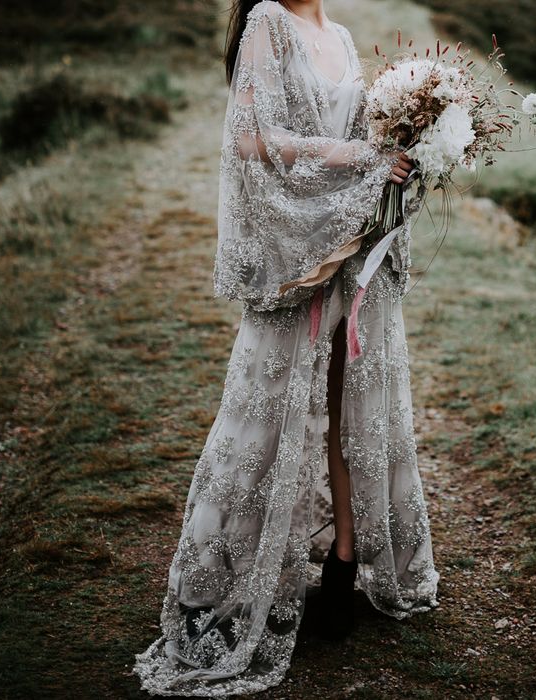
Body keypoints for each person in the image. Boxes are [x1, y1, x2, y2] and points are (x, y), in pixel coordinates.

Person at [133, 1, 439, 695]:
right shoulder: (268, 20)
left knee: (348, 409)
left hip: (354, 244)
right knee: (269, 404)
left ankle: (343, 559)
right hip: (298, 248)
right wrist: (367, 157)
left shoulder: (340, 32)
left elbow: (360, 131)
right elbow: (251, 139)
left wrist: (416, 137)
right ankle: (220, 575)